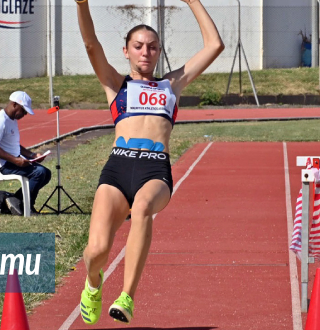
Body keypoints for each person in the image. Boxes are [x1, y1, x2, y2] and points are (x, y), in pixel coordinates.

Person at [76, 0, 224, 325]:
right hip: (117, 169)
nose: (146, 52)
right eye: (139, 46)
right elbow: (90, 44)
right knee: (96, 252)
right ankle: (93, 282)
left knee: (143, 208)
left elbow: (215, 45)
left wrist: (192, 2)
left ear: (159, 52)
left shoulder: (172, 84)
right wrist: (81, 4)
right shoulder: (116, 85)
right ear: (126, 51)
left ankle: (127, 296)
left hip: (155, 170)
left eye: (153, 47)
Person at [0, 91, 52, 215]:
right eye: (24, 110)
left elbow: (14, 145)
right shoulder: (0, 120)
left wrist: (32, 155)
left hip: (11, 161)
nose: (25, 114)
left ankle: (16, 201)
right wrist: (15, 160)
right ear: (14, 104)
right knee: (39, 172)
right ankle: (26, 206)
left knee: (46, 173)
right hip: (3, 165)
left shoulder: (11, 120)